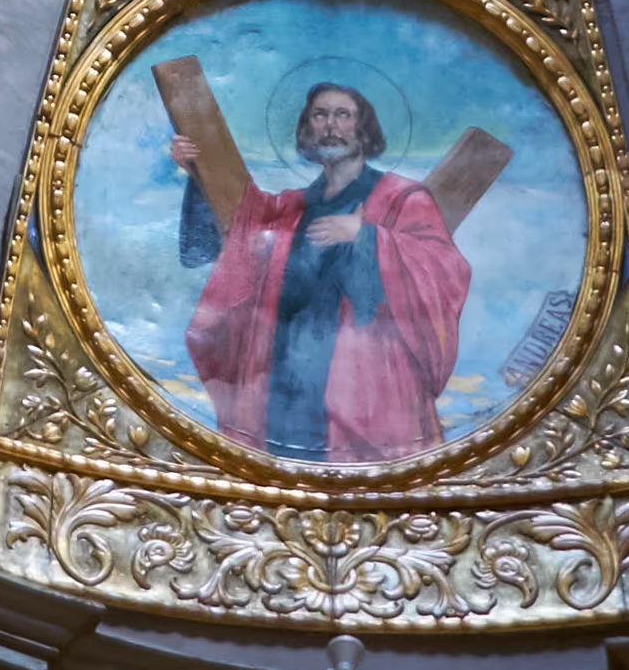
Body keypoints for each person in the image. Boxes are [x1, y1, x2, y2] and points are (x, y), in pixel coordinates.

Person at [177, 84, 475, 466]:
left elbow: (443, 269)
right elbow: (235, 231)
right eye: (320, 115)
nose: (331, 125)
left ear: (363, 129)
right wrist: (199, 175)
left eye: (343, 114)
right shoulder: (291, 207)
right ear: (308, 129)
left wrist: (366, 237)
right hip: (283, 382)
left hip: (365, 388)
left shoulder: (404, 199)